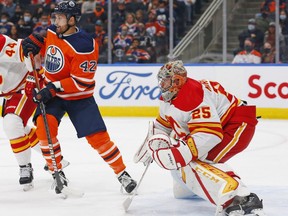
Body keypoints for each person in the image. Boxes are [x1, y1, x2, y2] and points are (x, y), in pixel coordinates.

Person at [21, 0, 137, 195]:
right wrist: (35, 44)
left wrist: (52, 87)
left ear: (73, 19)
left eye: (59, 17)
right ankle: (57, 172)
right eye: (54, 17)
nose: (55, 21)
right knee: (43, 128)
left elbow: (81, 83)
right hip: (53, 93)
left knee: (99, 139)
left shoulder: (85, 45)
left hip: (78, 96)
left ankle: (122, 174)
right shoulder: (52, 31)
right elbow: (47, 48)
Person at [134, 60, 265, 216]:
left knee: (197, 159)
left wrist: (179, 154)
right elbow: (164, 124)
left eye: (166, 80)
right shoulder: (170, 95)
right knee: (182, 189)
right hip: (221, 124)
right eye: (161, 79)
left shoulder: (192, 96)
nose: (162, 84)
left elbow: (210, 134)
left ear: (178, 81)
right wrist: (154, 143)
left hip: (236, 125)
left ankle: (240, 197)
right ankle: (197, 187)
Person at [0, 33, 69, 190]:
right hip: (8, 92)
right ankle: (53, 157)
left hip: (25, 83)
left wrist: (35, 74)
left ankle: (25, 167)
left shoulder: (1, 42)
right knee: (20, 129)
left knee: (11, 123)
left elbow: (30, 49)